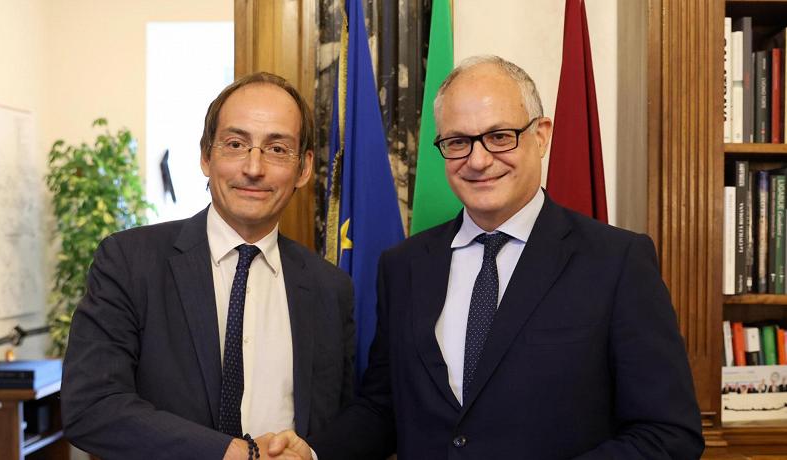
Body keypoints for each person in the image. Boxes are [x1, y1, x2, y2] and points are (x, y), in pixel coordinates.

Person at [271, 55, 704, 459]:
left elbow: (668, 433)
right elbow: (385, 408)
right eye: (458, 141)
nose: (478, 160)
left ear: (541, 135)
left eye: (499, 136)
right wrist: (312, 453)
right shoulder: (404, 267)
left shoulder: (617, 262)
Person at [61, 72, 354, 460]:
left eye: (277, 149)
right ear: (205, 156)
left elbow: (343, 422)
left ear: (303, 169)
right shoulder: (130, 262)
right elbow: (92, 405)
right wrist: (235, 453)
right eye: (235, 144)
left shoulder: (330, 288)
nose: (254, 167)